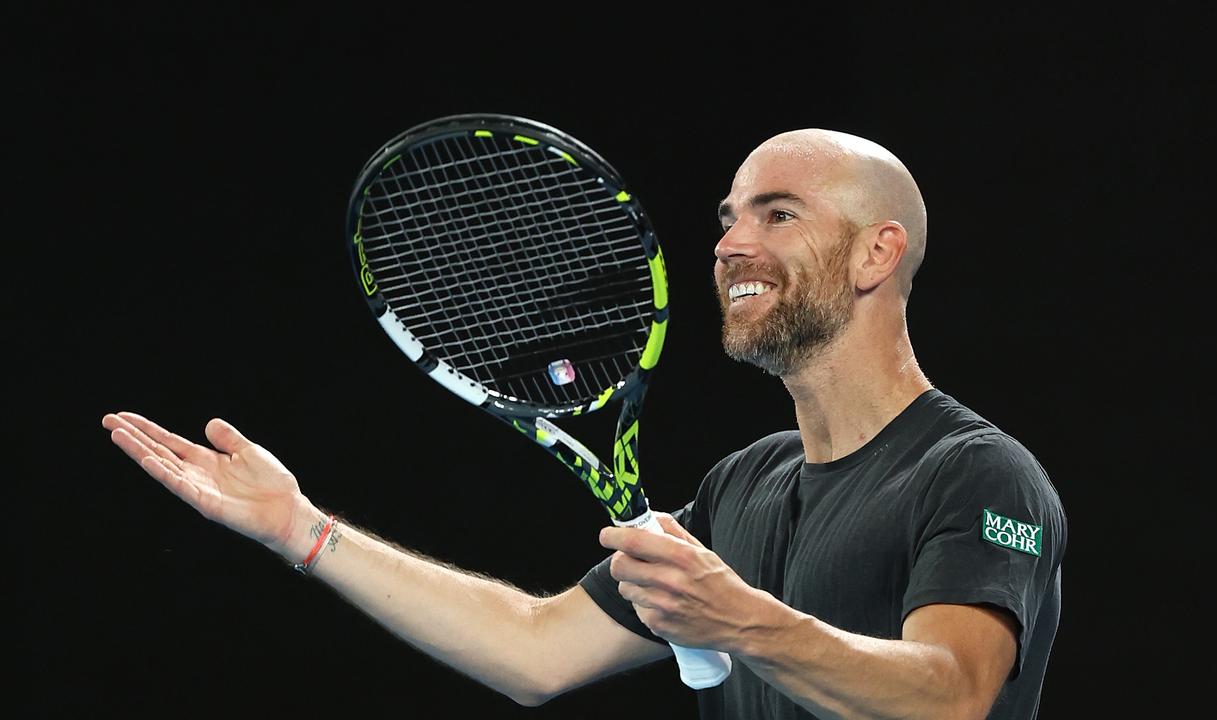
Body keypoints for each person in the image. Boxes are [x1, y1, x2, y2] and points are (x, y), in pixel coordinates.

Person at [103, 128, 1066, 720]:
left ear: (876, 254)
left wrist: (748, 624)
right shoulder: (747, 486)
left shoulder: (978, 474)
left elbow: (953, 693)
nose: (731, 243)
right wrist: (302, 530)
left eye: (778, 214)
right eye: (730, 217)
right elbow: (537, 647)